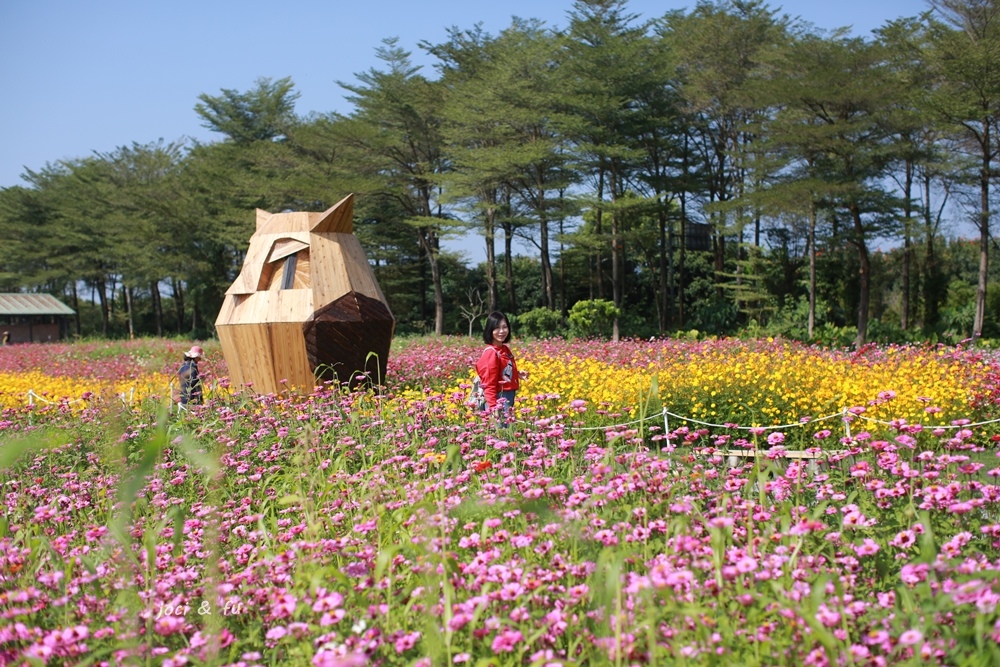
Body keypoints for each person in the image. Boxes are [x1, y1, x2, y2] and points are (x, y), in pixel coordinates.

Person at [475, 311, 528, 425]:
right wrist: (494, 408)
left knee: (507, 432)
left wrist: (517, 373)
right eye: (497, 328)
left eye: (504, 327)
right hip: (498, 399)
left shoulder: (504, 349)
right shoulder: (491, 353)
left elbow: (501, 371)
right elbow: (488, 384)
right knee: (501, 435)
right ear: (490, 330)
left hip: (507, 397)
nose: (502, 331)